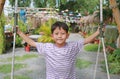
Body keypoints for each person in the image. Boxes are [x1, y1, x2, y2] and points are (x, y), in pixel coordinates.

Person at [17, 21, 100, 79]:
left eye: (63, 33)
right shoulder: (48, 47)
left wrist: (97, 32)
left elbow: (86, 40)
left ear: (67, 35)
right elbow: (32, 43)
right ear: (52, 36)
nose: (59, 36)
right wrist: (20, 33)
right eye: (56, 34)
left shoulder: (72, 46)